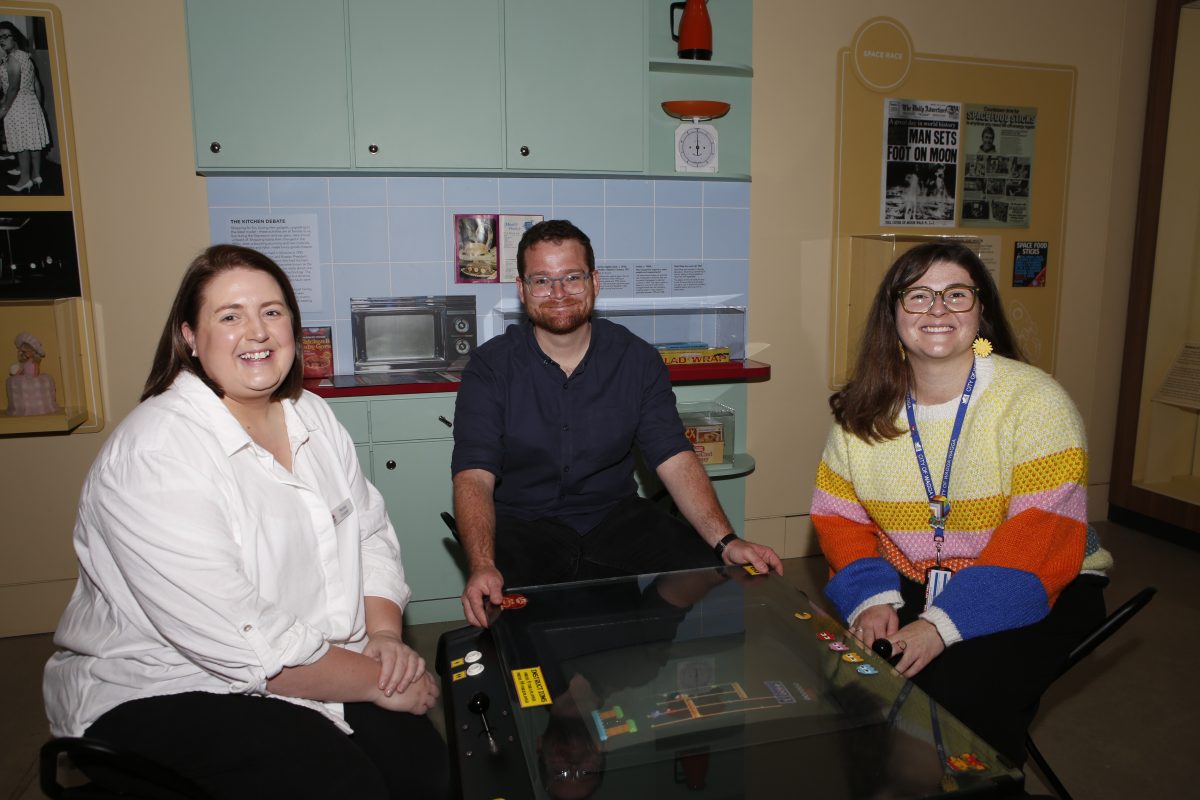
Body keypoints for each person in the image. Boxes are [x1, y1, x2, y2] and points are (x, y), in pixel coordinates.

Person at [43, 245, 448, 799]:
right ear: (189, 336)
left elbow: (369, 532)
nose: (256, 332)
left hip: (317, 659)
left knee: (427, 771)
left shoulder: (311, 414)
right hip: (168, 682)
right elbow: (239, 638)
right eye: (230, 316)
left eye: (272, 312)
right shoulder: (156, 453)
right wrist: (382, 679)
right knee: (342, 784)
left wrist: (383, 638)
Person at [809, 241, 1112, 765]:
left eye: (956, 294)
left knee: (956, 699)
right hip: (915, 572)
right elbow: (840, 518)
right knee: (854, 687)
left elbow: (1039, 541)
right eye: (918, 296)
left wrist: (938, 627)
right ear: (894, 314)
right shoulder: (863, 410)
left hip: (1044, 576)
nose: (938, 310)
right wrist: (872, 598)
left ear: (982, 310)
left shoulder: (1036, 402)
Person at [452, 219, 781, 628]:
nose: (558, 293)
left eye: (572, 277)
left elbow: (674, 457)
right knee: (522, 639)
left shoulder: (638, 360)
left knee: (700, 565)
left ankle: (641, 641)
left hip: (613, 516)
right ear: (522, 290)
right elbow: (473, 476)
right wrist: (482, 564)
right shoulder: (490, 368)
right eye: (542, 281)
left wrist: (727, 541)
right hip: (523, 525)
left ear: (594, 281)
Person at [0, 21, 49, 192]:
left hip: (17, 105)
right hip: (31, 103)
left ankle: (24, 180)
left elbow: (12, 89)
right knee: (33, 142)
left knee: (21, 145)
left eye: (5, 36)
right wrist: (39, 106)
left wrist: (3, 109)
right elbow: (36, 85)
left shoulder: (12, 59)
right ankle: (36, 175)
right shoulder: (26, 56)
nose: (1, 40)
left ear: (15, 37)